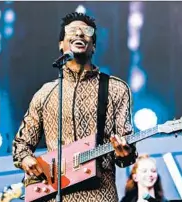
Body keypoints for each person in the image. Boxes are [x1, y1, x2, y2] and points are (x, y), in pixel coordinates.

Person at [12, 12, 138, 202]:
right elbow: (21, 145)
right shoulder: (45, 93)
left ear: (93, 46)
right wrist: (26, 159)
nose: (79, 33)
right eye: (72, 30)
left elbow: (125, 151)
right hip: (55, 196)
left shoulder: (115, 88)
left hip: (100, 195)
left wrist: (125, 153)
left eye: (86, 31)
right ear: (61, 44)